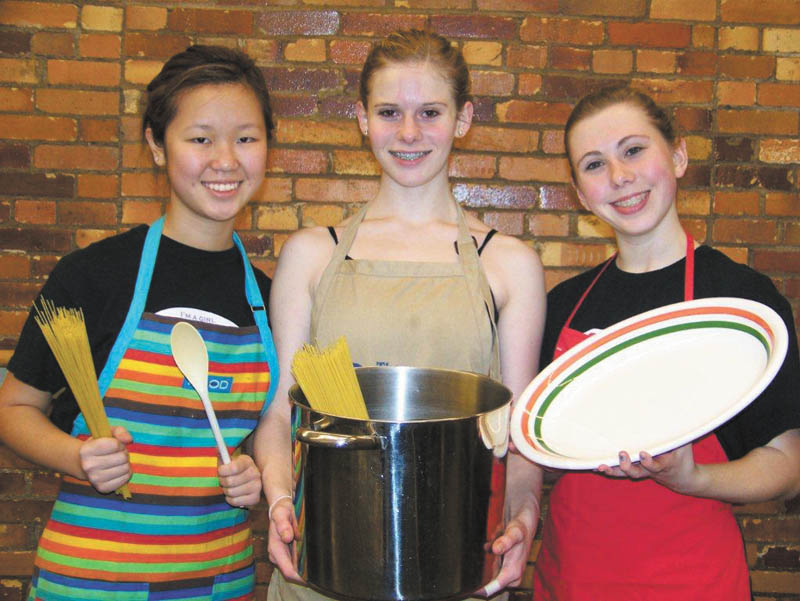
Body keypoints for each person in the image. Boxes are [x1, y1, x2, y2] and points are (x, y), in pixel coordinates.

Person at [254, 29, 546, 601]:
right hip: (326, 564)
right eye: (389, 112)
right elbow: (280, 414)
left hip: (457, 565)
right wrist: (281, 497)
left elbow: (516, 434)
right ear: (362, 118)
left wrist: (526, 514)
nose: (409, 133)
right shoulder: (312, 254)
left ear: (463, 118)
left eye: (429, 112)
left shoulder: (510, 265)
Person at [0, 45, 279, 600]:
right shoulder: (94, 275)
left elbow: (275, 429)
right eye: (200, 139)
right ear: (156, 145)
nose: (226, 159)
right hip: (92, 583)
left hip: (219, 583)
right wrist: (77, 457)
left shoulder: (270, 299)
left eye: (246, 138)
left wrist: (261, 477)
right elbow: (12, 409)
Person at [534, 85, 800, 600]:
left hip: (693, 580)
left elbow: (789, 464)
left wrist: (693, 477)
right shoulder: (563, 305)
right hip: (571, 580)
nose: (619, 177)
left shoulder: (743, 301)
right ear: (579, 192)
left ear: (677, 156)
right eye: (594, 164)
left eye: (633, 150)